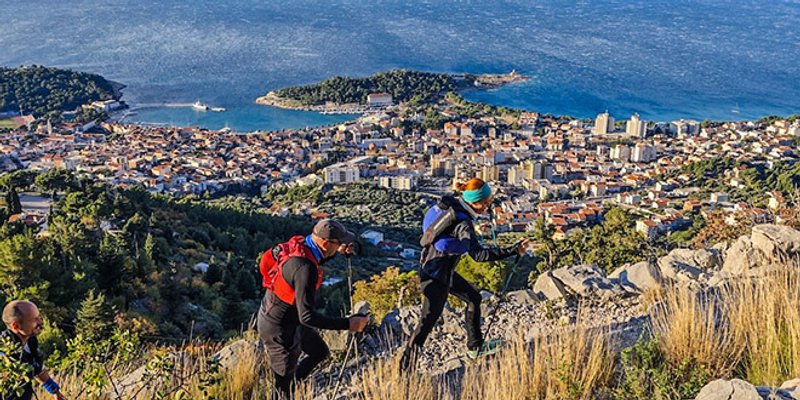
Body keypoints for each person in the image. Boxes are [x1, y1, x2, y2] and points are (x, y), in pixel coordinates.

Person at [400, 178, 528, 369]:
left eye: (488, 201)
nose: (487, 206)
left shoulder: (448, 204)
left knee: (473, 298)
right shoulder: (463, 223)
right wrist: (512, 250)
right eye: (484, 203)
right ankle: (405, 369)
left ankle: (475, 347)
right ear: (473, 202)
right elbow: (478, 255)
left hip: (435, 268)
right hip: (437, 278)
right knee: (426, 323)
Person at [257, 219, 369, 400]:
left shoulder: (302, 245)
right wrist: (349, 323)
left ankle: (294, 385)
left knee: (319, 352)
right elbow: (307, 316)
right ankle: (287, 390)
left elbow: (316, 257)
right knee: (281, 389)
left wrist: (337, 251)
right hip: (280, 328)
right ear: (326, 243)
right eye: (339, 242)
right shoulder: (305, 269)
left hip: (277, 312)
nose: (343, 245)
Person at [1, 300, 66, 400]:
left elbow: (37, 368)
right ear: (16, 326)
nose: (40, 322)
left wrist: (54, 391)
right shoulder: (4, 353)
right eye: (34, 319)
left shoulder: (30, 341)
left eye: (39, 317)